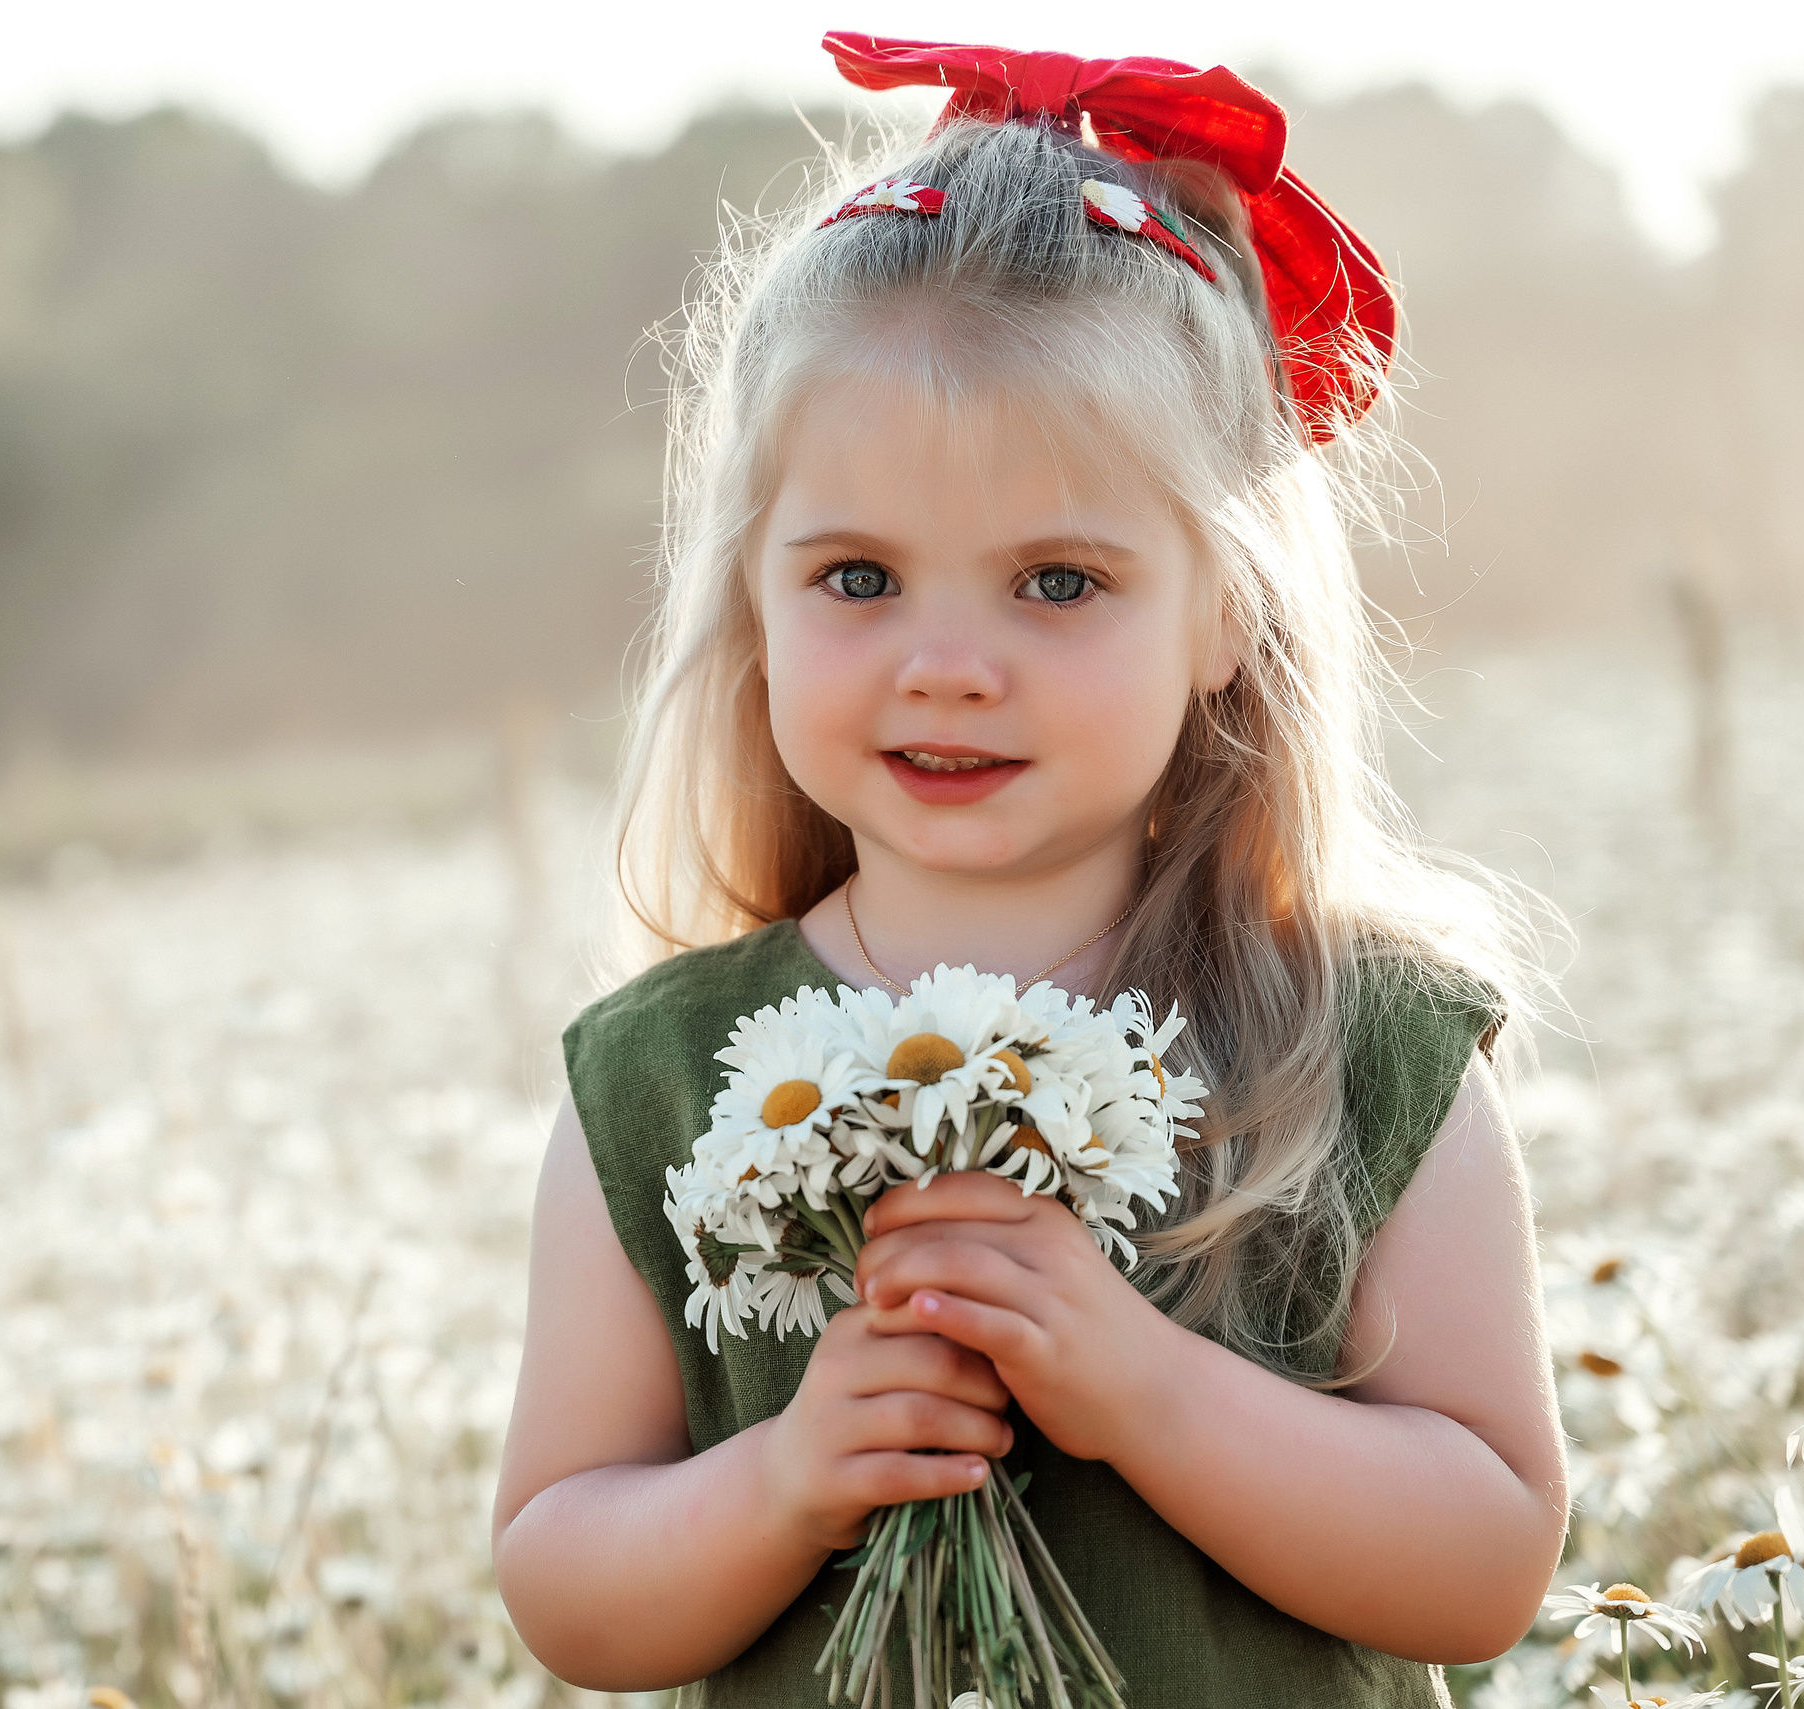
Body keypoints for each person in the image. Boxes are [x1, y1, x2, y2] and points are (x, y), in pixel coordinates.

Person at [489, 33, 1568, 1709]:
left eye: (1057, 583)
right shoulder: (664, 1077)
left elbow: (1487, 1563)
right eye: (857, 576)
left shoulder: (1354, 1041)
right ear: (752, 602)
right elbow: (566, 1573)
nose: (948, 663)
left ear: (1228, 613)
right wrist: (779, 1482)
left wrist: (1143, 1386)